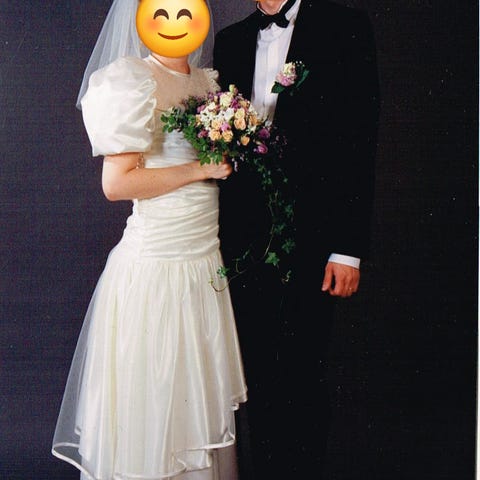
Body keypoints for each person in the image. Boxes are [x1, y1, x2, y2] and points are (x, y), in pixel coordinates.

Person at [51, 1, 247, 479]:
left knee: (192, 401)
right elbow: (116, 184)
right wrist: (200, 169)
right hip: (158, 266)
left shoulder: (207, 82)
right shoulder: (132, 80)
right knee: (155, 401)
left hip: (203, 261)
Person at [213, 0, 380, 477]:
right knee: (257, 377)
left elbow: (360, 138)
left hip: (314, 235)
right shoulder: (230, 40)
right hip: (244, 241)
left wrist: (348, 249)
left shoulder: (344, 25)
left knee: (303, 375)